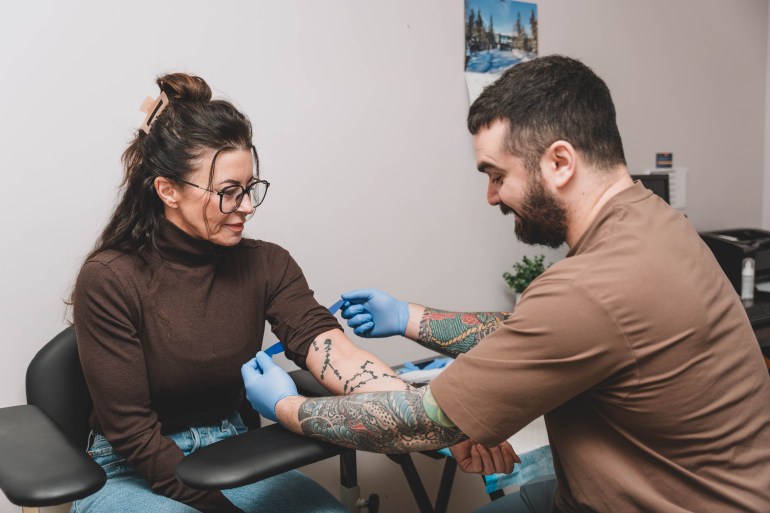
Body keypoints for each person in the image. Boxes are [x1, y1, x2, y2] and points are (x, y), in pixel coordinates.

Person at [241, 55, 770, 513]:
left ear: (560, 162)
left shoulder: (593, 285)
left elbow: (424, 421)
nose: (493, 197)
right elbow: (538, 333)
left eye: (496, 175)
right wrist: (408, 317)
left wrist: (288, 408)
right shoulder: (651, 222)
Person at [71, 72, 508, 513]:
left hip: (230, 452)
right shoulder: (110, 279)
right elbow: (132, 434)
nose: (246, 207)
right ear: (167, 190)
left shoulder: (266, 263)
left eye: (249, 189)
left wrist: (440, 428)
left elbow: (337, 355)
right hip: (130, 470)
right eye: (227, 193)